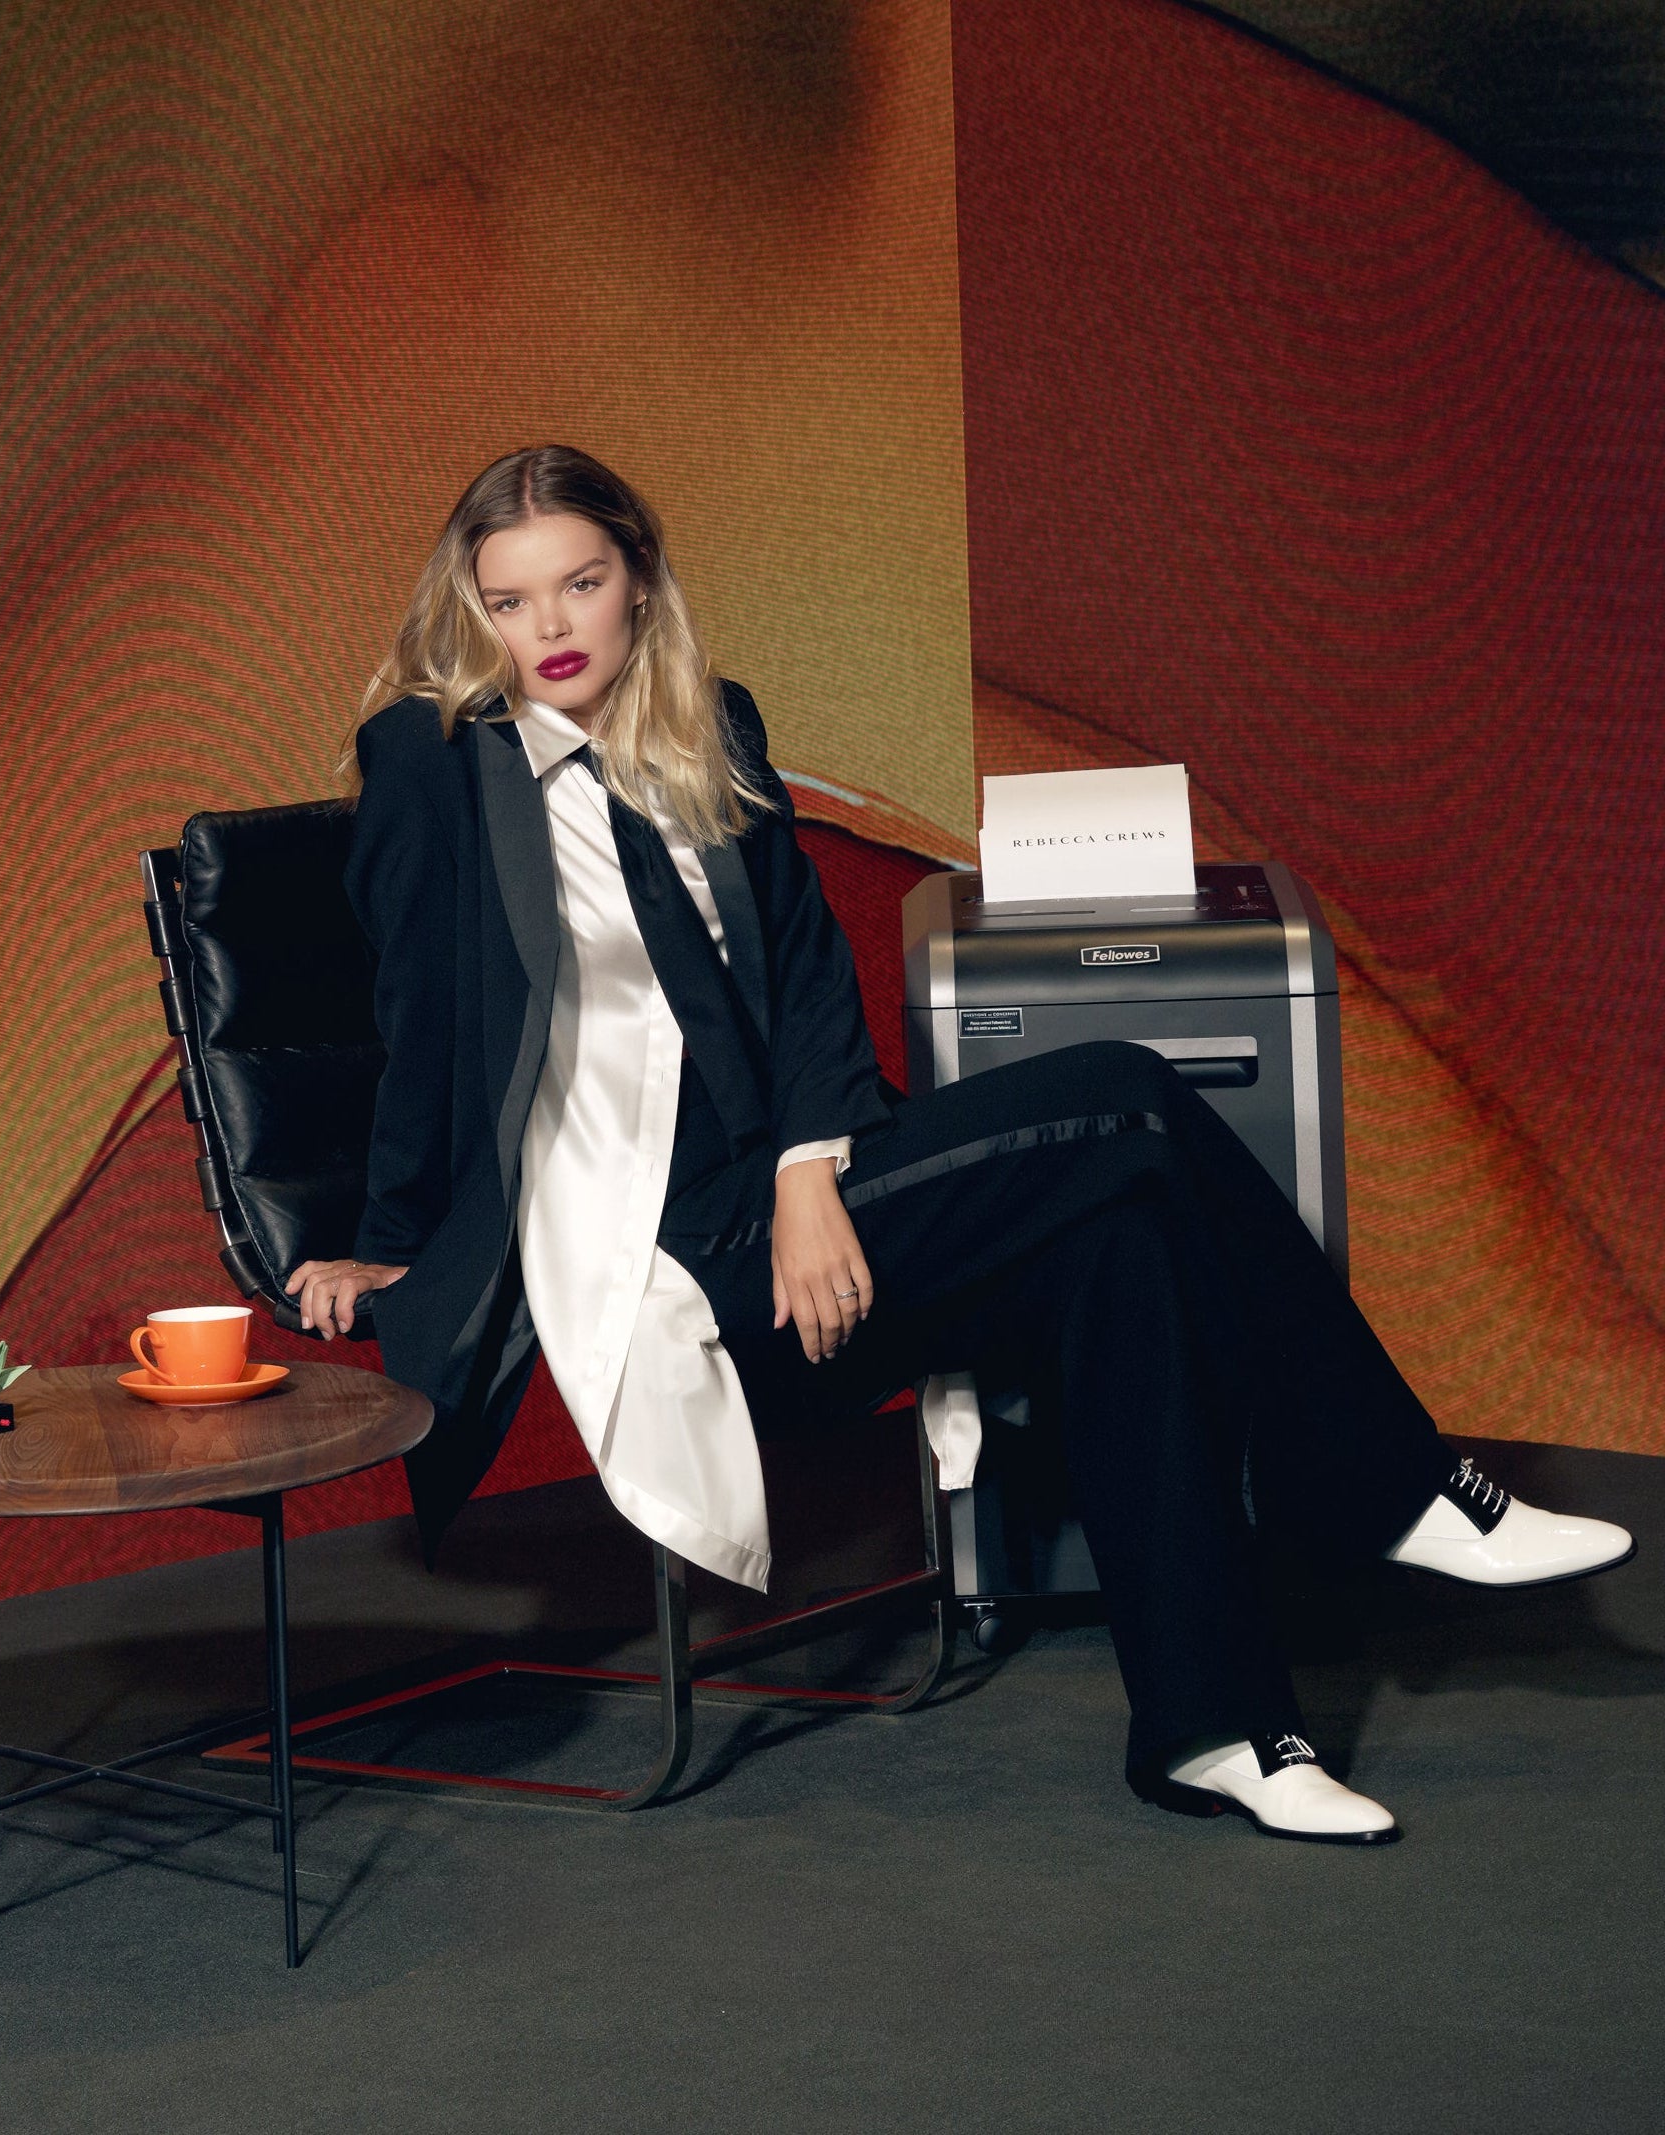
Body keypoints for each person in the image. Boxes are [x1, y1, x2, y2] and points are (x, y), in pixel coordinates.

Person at [286, 444, 1632, 1845]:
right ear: (473, 610)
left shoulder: (709, 728)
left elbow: (805, 978)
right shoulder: (432, 768)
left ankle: (1222, 1730)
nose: (551, 630)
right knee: (1128, 1094)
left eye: (581, 584)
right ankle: (1392, 1483)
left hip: (788, 1197)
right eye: (510, 601)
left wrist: (814, 1170)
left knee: (1121, 1243)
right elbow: (421, 1025)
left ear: (639, 583)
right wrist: (384, 1243)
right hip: (656, 1249)